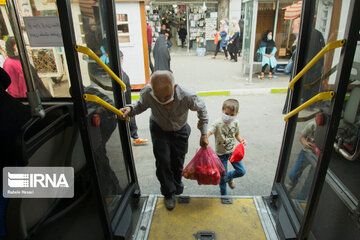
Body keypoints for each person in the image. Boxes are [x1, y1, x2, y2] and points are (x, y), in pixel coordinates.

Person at [119, 70, 209, 210]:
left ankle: (176, 185)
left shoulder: (187, 96)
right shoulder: (148, 93)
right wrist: (130, 109)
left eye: (166, 96)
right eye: (158, 96)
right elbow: (140, 105)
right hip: (159, 129)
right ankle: (168, 193)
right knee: (163, 162)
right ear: (152, 88)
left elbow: (202, 109)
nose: (162, 100)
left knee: (177, 162)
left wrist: (204, 134)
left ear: (174, 87)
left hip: (180, 130)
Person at [206, 99, 246, 195]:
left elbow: (237, 134)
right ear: (222, 110)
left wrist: (241, 140)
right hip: (221, 155)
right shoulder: (217, 123)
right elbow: (209, 132)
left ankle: (227, 177)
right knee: (222, 177)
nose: (229, 116)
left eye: (232, 115)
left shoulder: (235, 123)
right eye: (226, 113)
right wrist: (205, 138)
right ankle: (224, 194)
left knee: (241, 171)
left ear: (236, 113)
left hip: (233, 153)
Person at [119, 50, 148, 145]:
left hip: (125, 98)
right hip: (124, 100)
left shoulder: (122, 74)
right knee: (129, 112)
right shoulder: (121, 75)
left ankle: (135, 136)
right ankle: (135, 136)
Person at [286, 120, 317, 200]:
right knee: (293, 174)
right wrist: (305, 143)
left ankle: (300, 199)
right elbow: (302, 137)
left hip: (317, 158)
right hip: (306, 153)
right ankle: (292, 183)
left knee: (310, 181)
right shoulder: (313, 125)